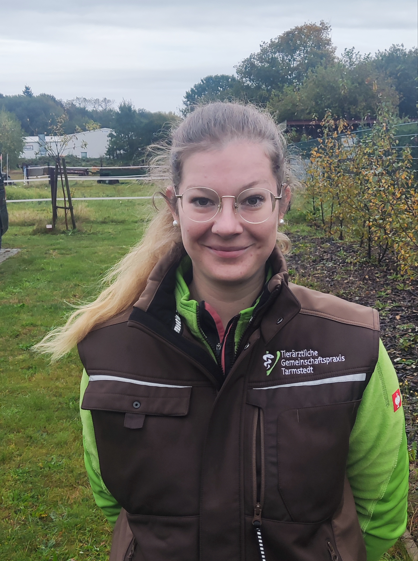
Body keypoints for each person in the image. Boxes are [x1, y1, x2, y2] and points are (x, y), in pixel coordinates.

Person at [37, 103, 408, 561]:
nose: (227, 226)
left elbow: (378, 512)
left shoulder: (350, 345)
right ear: (174, 205)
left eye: (251, 200)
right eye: (203, 200)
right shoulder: (111, 350)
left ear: (282, 204)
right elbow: (115, 500)